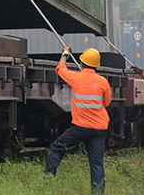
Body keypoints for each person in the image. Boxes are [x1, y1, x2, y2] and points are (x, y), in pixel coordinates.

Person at [45, 47, 112, 194]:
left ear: (81, 64)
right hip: (99, 129)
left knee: (56, 148)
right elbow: (106, 103)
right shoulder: (103, 82)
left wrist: (65, 53)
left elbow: (60, 68)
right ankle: (98, 193)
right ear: (96, 65)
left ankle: (48, 180)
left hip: (80, 128)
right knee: (97, 164)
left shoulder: (76, 78)